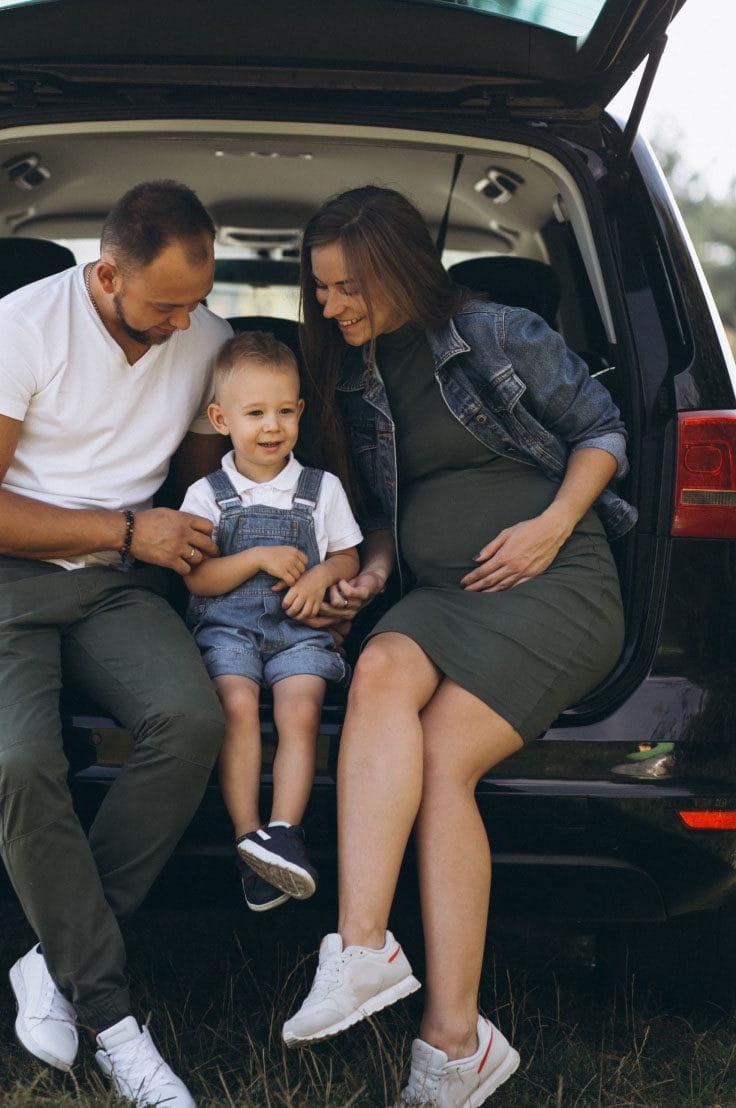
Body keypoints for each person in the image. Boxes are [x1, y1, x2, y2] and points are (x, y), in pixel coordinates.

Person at [281, 186, 636, 1107]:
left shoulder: (494, 332)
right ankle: (362, 949)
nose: (331, 307)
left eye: (347, 286)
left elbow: (601, 431)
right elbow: (402, 507)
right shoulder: (352, 376)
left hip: (554, 582)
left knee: (441, 763)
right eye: (320, 290)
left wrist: (551, 525)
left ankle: (454, 1040)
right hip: (440, 592)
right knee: (382, 671)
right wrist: (373, 569)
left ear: (399, 268)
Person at [0, 180, 233, 1108]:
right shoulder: (19, 329)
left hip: (114, 583)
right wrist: (127, 531)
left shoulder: (204, 337)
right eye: (165, 306)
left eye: (195, 303)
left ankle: (51, 964)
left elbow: (209, 489)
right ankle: (110, 1016)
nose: (185, 326)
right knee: (23, 763)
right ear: (104, 274)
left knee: (189, 722)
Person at [180, 331, 362, 912]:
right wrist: (257, 557)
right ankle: (248, 837)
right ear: (220, 418)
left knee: (299, 710)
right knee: (235, 705)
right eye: (254, 413)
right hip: (227, 629)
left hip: (298, 631)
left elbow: (347, 556)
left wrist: (319, 578)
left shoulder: (320, 489)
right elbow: (198, 580)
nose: (271, 426)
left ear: (301, 413)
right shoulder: (207, 494)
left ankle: (283, 832)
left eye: (285, 411)